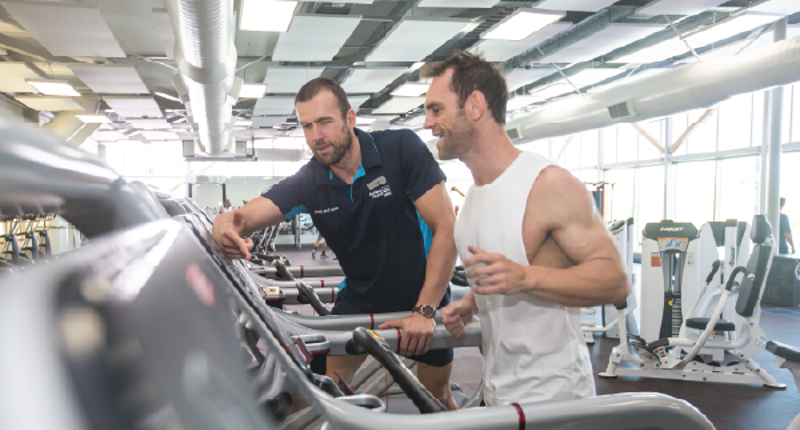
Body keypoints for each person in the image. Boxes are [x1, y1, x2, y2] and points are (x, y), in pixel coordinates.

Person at [212, 77, 459, 410]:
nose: (317, 136)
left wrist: (424, 310)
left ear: (350, 119)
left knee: (437, 401)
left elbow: (446, 226)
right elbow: (240, 219)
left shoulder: (400, 149)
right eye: (307, 126)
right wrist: (221, 227)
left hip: (423, 295)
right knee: (313, 399)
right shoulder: (309, 182)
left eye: (325, 122)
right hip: (361, 300)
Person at [423, 52, 630, 406]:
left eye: (436, 109)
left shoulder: (548, 185)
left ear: (475, 106)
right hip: (500, 393)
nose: (428, 123)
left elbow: (616, 281)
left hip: (555, 401)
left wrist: (526, 279)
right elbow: (518, 269)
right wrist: (473, 301)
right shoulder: (473, 196)